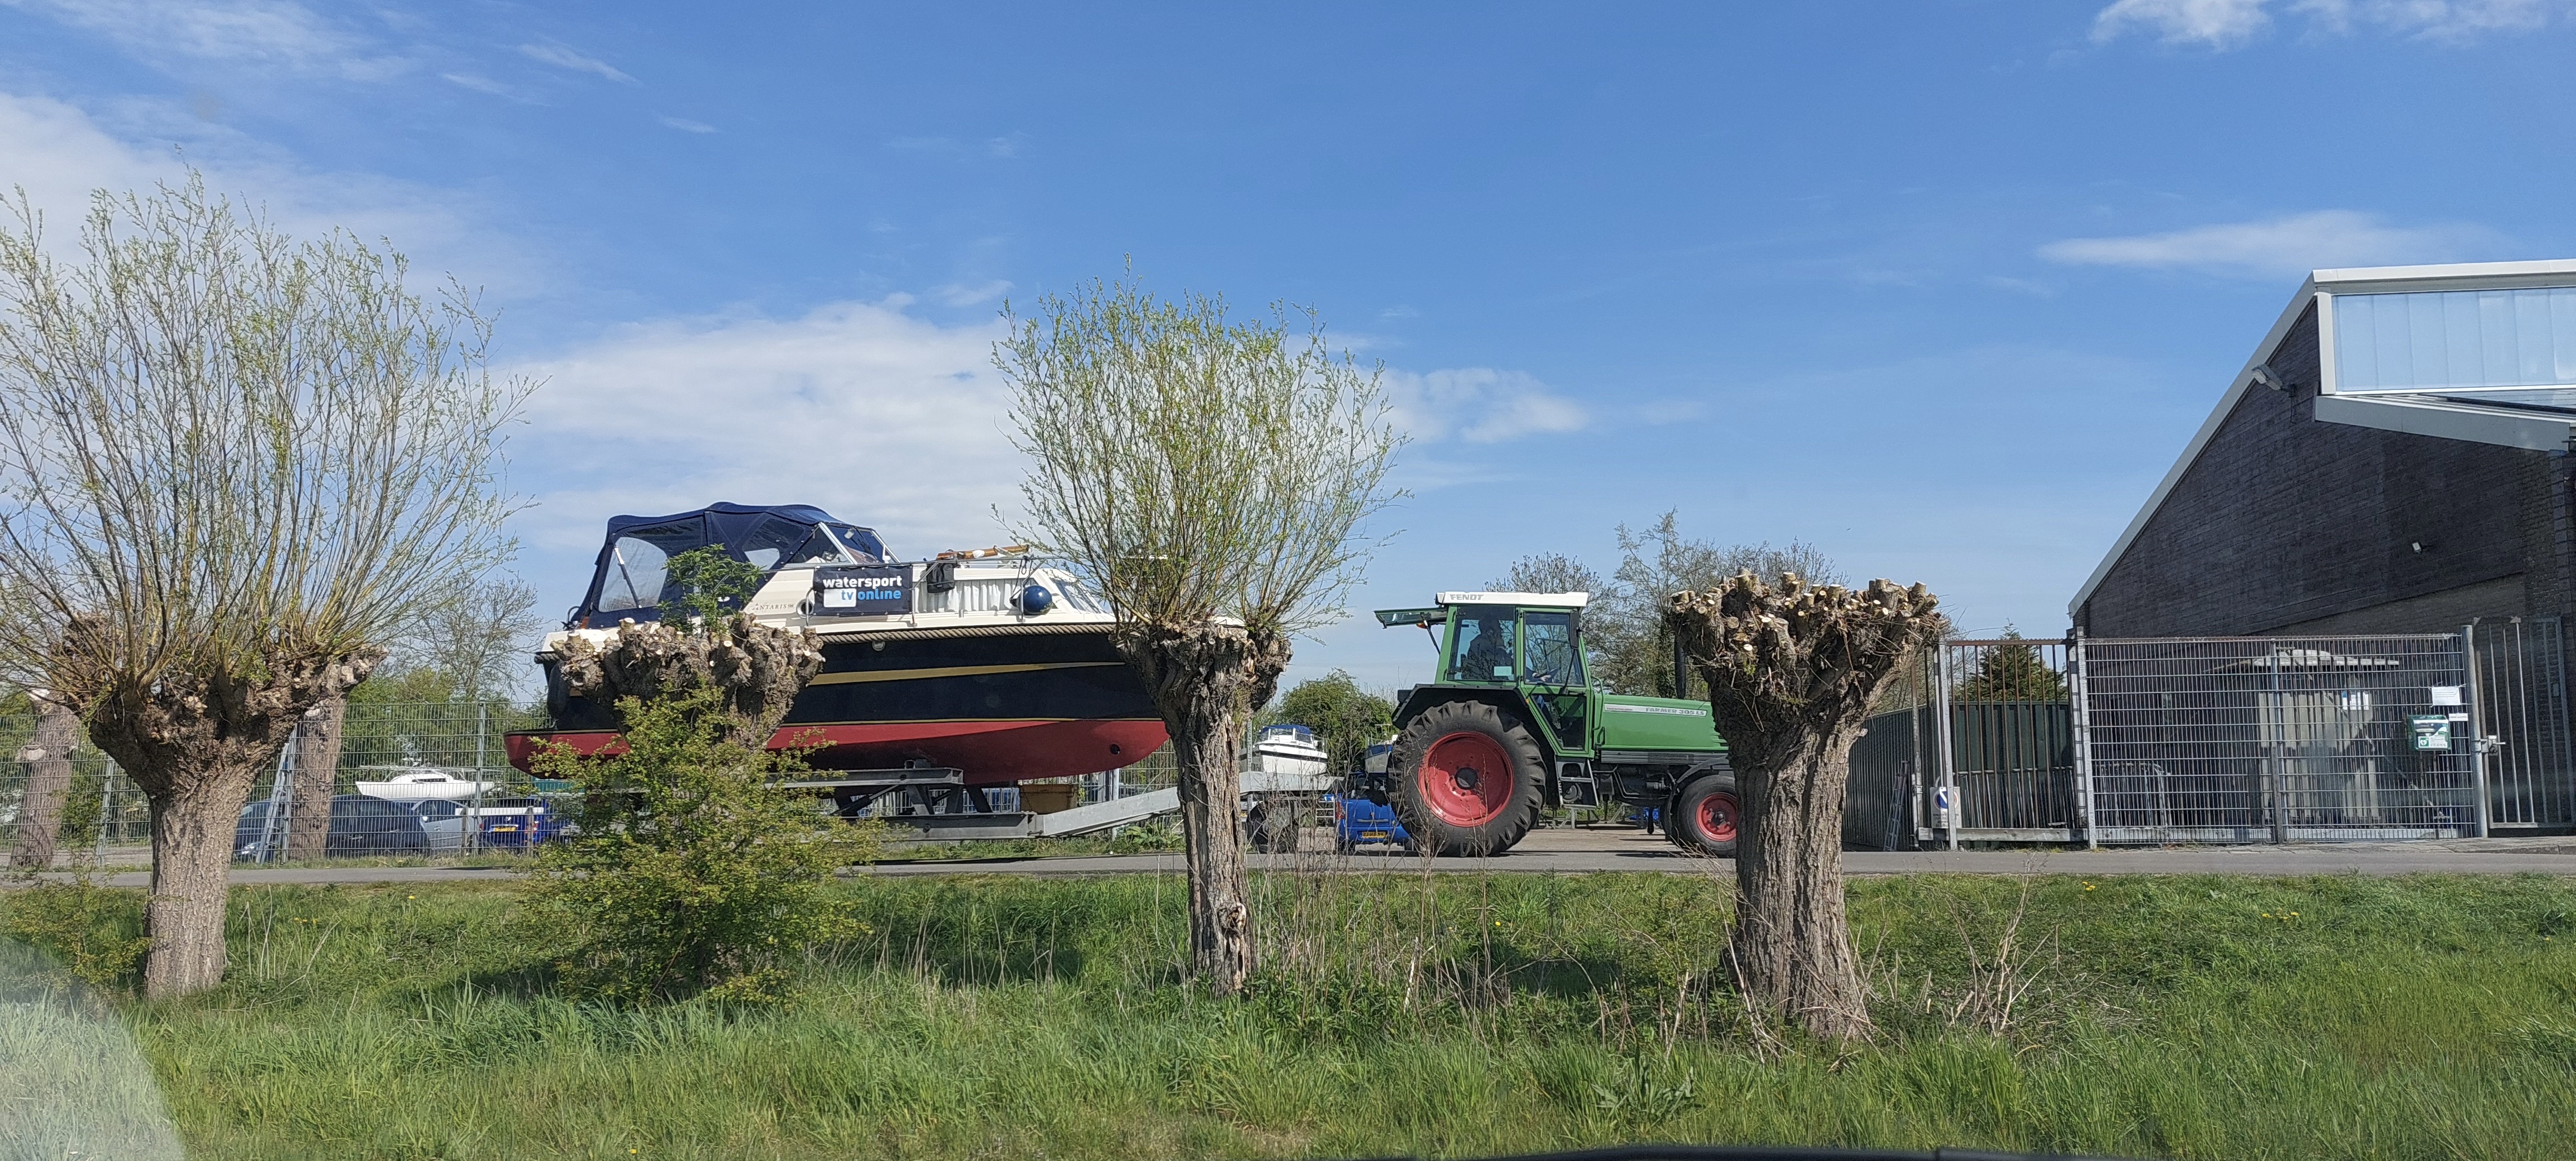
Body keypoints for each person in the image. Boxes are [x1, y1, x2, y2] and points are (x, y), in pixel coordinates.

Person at [1457, 614, 1515, 680]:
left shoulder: (1490, 647)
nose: (1501, 629)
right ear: (1490, 631)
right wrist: (1500, 648)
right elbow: (1496, 670)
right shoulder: (1481, 646)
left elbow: (1515, 668)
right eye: (1498, 627)